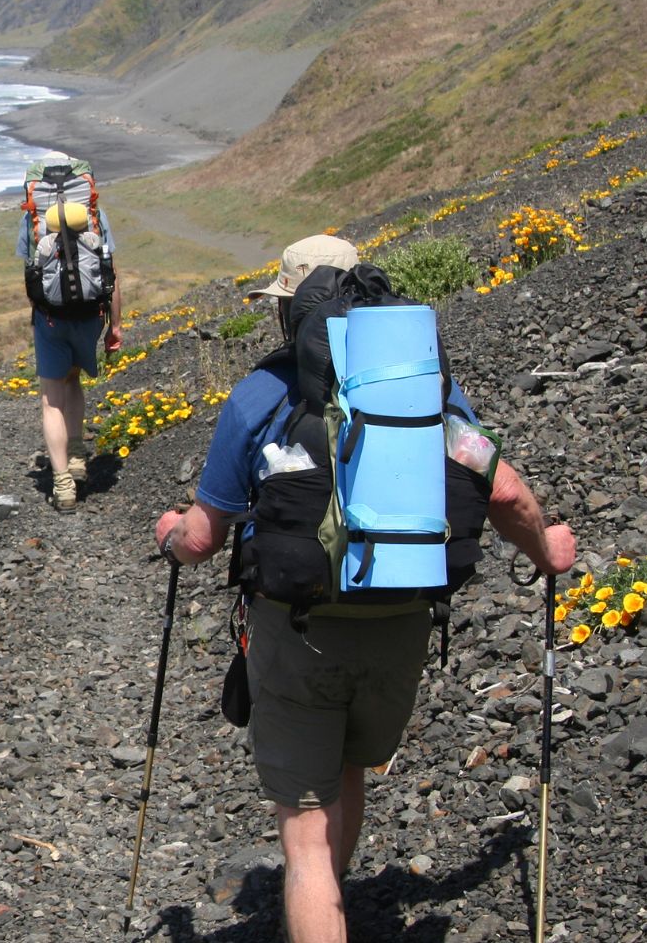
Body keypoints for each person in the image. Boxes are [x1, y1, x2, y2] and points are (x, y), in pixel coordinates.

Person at [152, 234, 575, 943]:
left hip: (299, 631)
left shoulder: (261, 394)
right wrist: (547, 548)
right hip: (402, 618)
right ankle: (333, 911)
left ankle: (317, 909)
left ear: (293, 312)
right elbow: (500, 490)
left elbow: (201, 540)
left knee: (305, 838)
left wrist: (168, 532)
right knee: (349, 762)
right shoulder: (422, 381)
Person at [17, 153, 122, 512]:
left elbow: (31, 273)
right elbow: (111, 274)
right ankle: (77, 457)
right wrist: (115, 326)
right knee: (74, 381)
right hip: (90, 315)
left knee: (51, 398)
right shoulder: (95, 217)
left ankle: (62, 483)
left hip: (50, 319)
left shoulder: (33, 220)